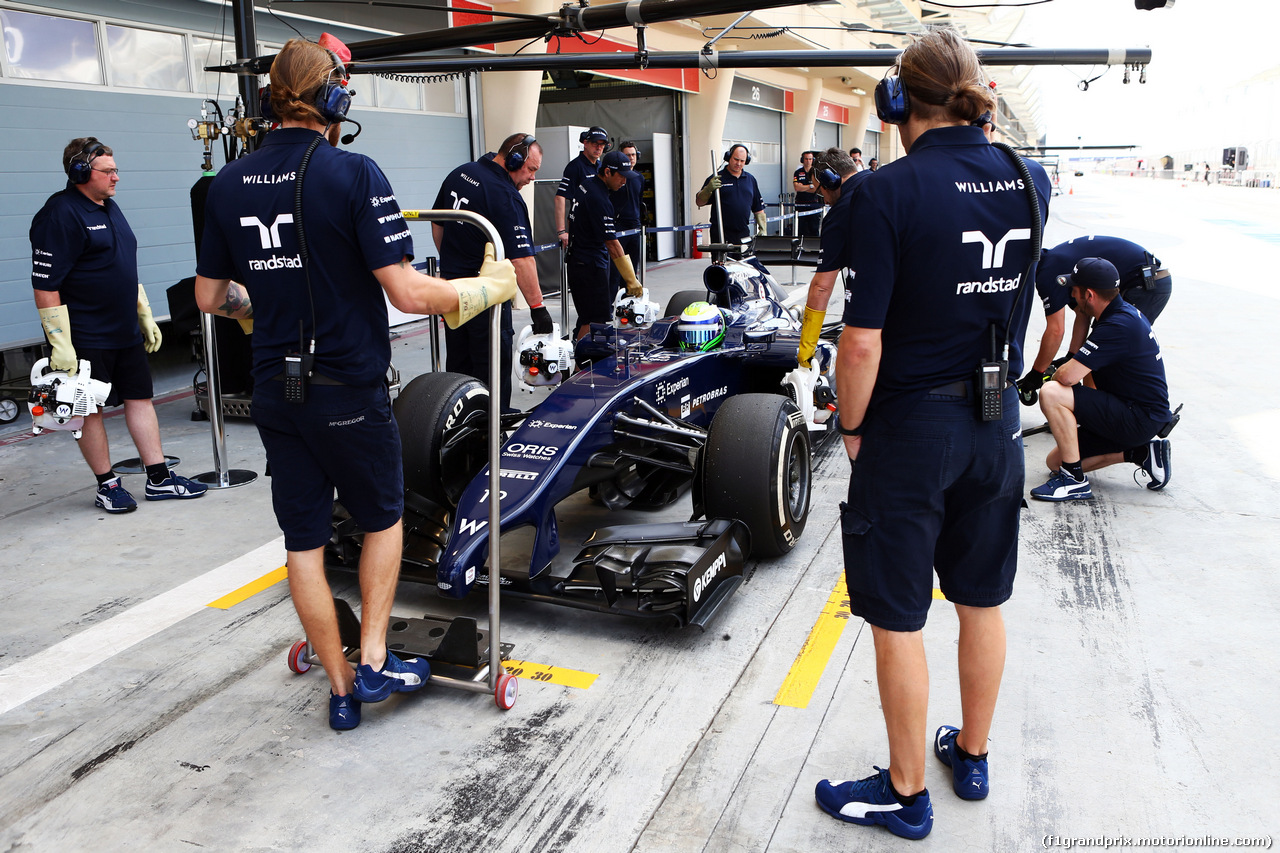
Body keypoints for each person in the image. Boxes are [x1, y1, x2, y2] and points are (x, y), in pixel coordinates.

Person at [193, 38, 517, 731]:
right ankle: (373, 659)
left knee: (303, 541)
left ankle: (340, 688)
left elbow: (210, 295)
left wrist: (257, 310)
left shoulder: (226, 185)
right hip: (347, 386)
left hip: (276, 393)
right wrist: (481, 288)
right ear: (333, 99)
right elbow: (406, 292)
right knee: (383, 518)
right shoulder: (355, 172)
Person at [815, 28, 1050, 840]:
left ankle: (907, 793)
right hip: (997, 426)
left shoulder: (885, 193)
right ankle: (971, 753)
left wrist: (851, 427)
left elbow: (861, 341)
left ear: (895, 101)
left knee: (899, 616)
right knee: (982, 600)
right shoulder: (1031, 179)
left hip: (912, 429)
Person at [30, 137, 209, 514]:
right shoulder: (59, 214)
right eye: (108, 171)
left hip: (123, 329)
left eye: (116, 170)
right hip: (86, 335)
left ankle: (159, 477)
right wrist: (60, 344)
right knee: (89, 409)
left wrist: (143, 312)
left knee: (140, 398)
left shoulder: (110, 208)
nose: (116, 177)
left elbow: (122, 264)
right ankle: (107, 484)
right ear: (81, 172)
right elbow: (45, 285)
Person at [1030, 258, 1174, 501]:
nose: (1072, 297)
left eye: (1074, 291)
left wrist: (1054, 377)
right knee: (1055, 462)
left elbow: (1066, 377)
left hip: (1137, 417)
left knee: (1052, 391)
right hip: (1134, 411)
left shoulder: (1118, 325)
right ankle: (1140, 453)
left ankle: (1074, 481)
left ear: (1089, 294)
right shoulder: (1119, 313)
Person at [433, 133, 550, 413]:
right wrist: (538, 308)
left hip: (452, 293)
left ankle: (456, 429)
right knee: (491, 371)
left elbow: (438, 224)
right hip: (486, 299)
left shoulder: (460, 173)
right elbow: (522, 260)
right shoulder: (504, 195)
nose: (532, 178)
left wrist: (453, 264)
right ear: (514, 159)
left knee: (458, 369)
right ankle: (490, 435)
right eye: (531, 169)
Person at [1017, 236, 1171, 400]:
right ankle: (1092, 405)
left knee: (1097, 352)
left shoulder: (1047, 276)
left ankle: (1094, 411)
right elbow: (1083, 314)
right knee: (1092, 352)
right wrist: (1073, 354)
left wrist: (1036, 373)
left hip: (1145, 282)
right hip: (1148, 276)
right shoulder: (1054, 261)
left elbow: (1056, 331)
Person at [796, 148, 868, 367]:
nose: (824, 200)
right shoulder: (886, 185)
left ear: (829, 179)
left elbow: (822, 287)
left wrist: (805, 351)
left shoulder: (842, 211)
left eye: (821, 192)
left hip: (872, 318)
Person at [565, 150, 641, 339]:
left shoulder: (586, 184)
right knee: (594, 321)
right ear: (607, 172)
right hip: (589, 266)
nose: (624, 181)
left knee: (587, 319)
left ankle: (580, 363)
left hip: (578, 260)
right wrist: (631, 279)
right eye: (621, 177)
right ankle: (581, 366)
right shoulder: (599, 199)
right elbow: (612, 244)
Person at [695, 144, 768, 272]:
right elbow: (699, 202)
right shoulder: (717, 178)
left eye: (742, 161)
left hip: (742, 233)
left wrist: (763, 229)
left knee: (743, 270)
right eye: (736, 159)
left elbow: (758, 208)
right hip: (721, 233)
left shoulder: (750, 180)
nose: (738, 164)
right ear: (728, 157)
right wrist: (708, 189)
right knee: (722, 271)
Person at [555, 126, 608, 250]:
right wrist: (561, 231)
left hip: (599, 227)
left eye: (602, 144)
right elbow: (560, 197)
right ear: (585, 143)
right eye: (595, 143)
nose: (599, 147)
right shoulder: (575, 167)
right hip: (581, 229)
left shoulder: (601, 166)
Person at [608, 140, 646, 296]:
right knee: (615, 270)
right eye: (627, 155)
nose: (631, 158)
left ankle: (628, 302)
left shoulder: (639, 178)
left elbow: (639, 200)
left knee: (631, 268)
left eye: (633, 155)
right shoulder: (614, 177)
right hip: (618, 228)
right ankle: (610, 304)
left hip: (634, 228)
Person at [792, 150, 822, 237]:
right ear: (802, 160)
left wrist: (803, 187)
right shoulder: (798, 172)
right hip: (800, 204)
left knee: (814, 229)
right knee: (801, 229)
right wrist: (810, 186)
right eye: (806, 159)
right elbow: (797, 187)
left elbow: (817, 189)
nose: (808, 161)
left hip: (813, 204)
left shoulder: (816, 173)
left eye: (810, 159)